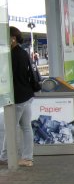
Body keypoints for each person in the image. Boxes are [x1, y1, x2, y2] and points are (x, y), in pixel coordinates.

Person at [0, 27, 37, 167]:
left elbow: (8, 77)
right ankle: (27, 158)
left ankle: (4, 156)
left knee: (10, 126)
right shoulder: (23, 52)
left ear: (13, 38)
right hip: (27, 94)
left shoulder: (12, 55)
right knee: (26, 127)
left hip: (17, 96)